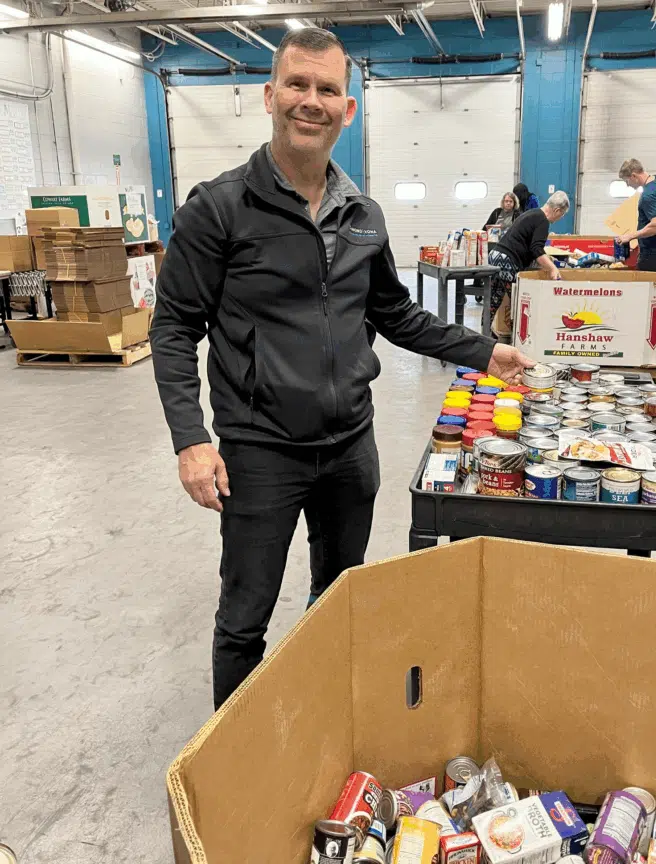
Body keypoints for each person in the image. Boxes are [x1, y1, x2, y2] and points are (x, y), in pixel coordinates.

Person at [150, 26, 535, 710]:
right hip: (260, 451)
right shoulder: (219, 208)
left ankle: (322, 725)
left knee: (338, 597)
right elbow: (174, 326)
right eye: (297, 85)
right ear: (270, 95)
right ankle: (238, 762)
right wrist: (191, 439)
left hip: (351, 448)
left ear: (347, 109)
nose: (311, 101)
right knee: (245, 619)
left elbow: (395, 313)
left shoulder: (364, 216)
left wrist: (482, 351)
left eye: (328, 89)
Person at [488, 191, 570, 331]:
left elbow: (528, 244)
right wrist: (552, 268)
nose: (560, 218)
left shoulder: (532, 213)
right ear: (557, 210)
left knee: (493, 301)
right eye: (561, 215)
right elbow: (536, 249)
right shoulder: (543, 220)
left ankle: (484, 334)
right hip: (508, 261)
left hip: (495, 256)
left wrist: (546, 259)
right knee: (519, 302)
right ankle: (521, 338)